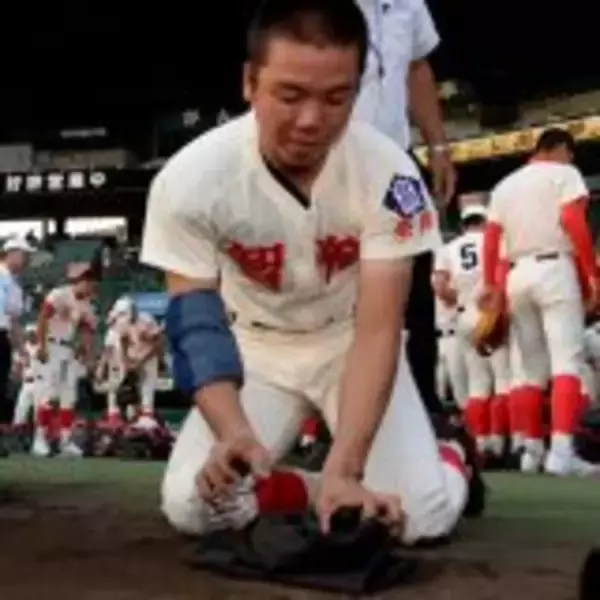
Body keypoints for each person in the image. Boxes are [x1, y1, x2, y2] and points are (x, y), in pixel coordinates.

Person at [141, 0, 473, 543]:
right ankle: (313, 489)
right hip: (256, 349)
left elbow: (379, 328)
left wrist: (349, 466)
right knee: (195, 506)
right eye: (290, 95)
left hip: (348, 342)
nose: (312, 119)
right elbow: (196, 324)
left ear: (359, 89)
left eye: (337, 97)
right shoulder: (191, 177)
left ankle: (450, 454)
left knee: (417, 515)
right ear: (250, 82)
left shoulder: (390, 173)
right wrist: (233, 432)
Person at [354, 0, 456, 416]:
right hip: (337, 155)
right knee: (340, 283)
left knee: (416, 276)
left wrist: (438, 146)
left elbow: (417, 67)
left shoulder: (408, 3)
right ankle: (337, 414)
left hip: (396, 157)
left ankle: (423, 406)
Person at [482, 128, 598, 475]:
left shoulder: (505, 185)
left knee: (530, 368)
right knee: (566, 361)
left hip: (517, 274)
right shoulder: (564, 173)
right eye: (569, 153)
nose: (570, 160)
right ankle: (561, 452)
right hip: (554, 267)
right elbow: (573, 220)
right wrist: (591, 273)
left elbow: (492, 239)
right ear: (560, 148)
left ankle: (530, 451)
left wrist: (490, 284)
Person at [433, 205, 511, 459]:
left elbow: (439, 286)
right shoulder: (494, 240)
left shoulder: (449, 248)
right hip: (491, 311)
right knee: (502, 380)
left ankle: (479, 442)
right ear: (484, 222)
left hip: (465, 315)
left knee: (477, 384)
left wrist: (458, 300)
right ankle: (498, 442)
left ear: (464, 224)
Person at [33, 261, 99, 457]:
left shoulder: (87, 305)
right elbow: (43, 318)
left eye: (92, 282)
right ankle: (39, 439)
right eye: (88, 282)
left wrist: (88, 355)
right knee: (48, 394)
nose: (91, 286)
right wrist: (42, 346)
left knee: (68, 396)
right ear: (79, 281)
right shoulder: (59, 294)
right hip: (51, 345)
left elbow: (87, 332)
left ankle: (65, 440)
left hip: (68, 349)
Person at [0, 237, 33, 425]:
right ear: (11, 254)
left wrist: (22, 351)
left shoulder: (14, 283)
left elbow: (14, 321)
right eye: (23, 255)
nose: (26, 260)